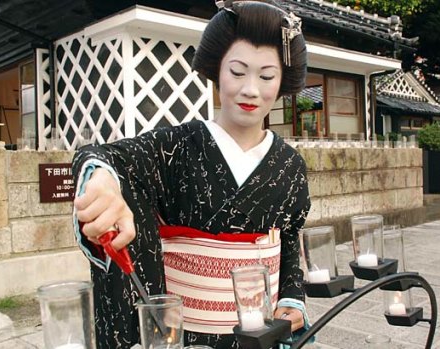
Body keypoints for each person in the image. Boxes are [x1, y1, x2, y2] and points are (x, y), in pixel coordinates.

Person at [72, 1, 310, 347]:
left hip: (262, 332)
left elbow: (289, 239)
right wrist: (104, 183)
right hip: (187, 334)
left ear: (282, 81)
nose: (251, 89)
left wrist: (291, 299)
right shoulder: (175, 145)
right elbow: (104, 156)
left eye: (267, 76)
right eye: (237, 71)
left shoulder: (290, 164)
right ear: (217, 71)